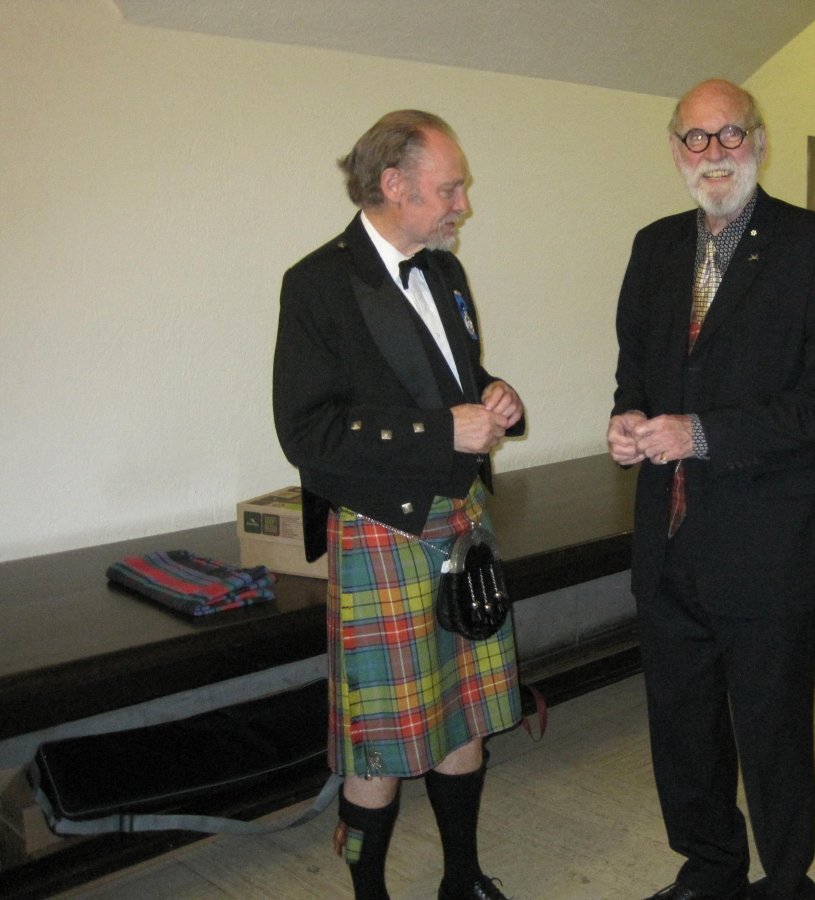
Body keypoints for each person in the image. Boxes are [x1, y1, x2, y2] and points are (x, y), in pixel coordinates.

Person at [607, 79, 815, 900]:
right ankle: (710, 866)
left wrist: (700, 433)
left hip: (766, 540)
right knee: (682, 727)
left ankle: (786, 882)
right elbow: (635, 369)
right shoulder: (654, 247)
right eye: (696, 138)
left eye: (729, 135)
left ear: (758, 140)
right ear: (674, 148)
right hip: (669, 536)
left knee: (771, 730)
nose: (713, 154)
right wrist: (627, 417)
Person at [273, 110, 523, 900]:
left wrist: (493, 393)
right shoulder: (318, 284)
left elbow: (453, 378)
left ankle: (462, 878)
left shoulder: (444, 271)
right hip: (384, 529)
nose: (462, 205)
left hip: (463, 522)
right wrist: (443, 429)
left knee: (465, 716)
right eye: (450, 189)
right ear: (393, 185)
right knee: (377, 743)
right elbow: (307, 433)